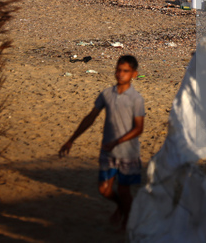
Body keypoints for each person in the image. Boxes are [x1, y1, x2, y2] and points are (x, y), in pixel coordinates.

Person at [59, 55, 145, 230]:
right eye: (119, 70)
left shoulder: (136, 99)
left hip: (128, 152)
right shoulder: (107, 94)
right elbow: (91, 117)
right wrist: (71, 140)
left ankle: (127, 220)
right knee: (104, 189)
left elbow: (138, 128)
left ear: (134, 74)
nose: (120, 74)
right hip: (108, 151)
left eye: (125, 71)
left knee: (123, 190)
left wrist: (117, 142)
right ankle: (122, 207)